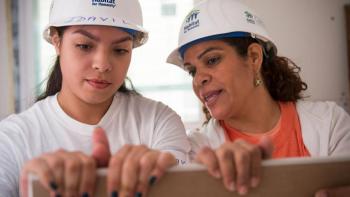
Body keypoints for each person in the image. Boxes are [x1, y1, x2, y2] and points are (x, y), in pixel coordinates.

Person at [0, 0, 190, 196]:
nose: (102, 64)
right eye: (84, 46)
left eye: (120, 50)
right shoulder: (13, 139)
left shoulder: (158, 122)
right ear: (57, 41)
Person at [166, 0, 350, 196]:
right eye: (192, 71)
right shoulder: (196, 151)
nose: (198, 80)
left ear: (254, 57)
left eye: (212, 60)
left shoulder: (331, 123)